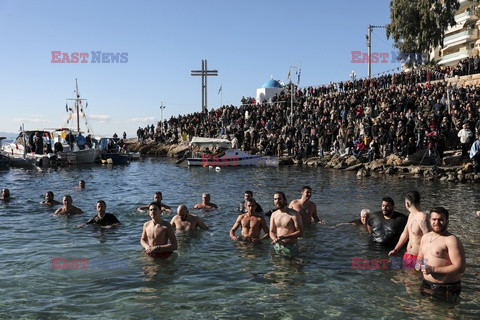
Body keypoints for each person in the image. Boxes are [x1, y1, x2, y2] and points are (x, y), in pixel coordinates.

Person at [416, 207, 466, 301]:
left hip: (447, 287)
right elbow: (420, 257)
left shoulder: (451, 240)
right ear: (430, 220)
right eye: (434, 219)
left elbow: (460, 268)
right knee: (426, 312)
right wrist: (418, 264)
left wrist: (433, 269)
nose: (437, 222)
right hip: (426, 284)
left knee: (447, 314)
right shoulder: (425, 237)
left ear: (447, 221)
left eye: (441, 220)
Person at [389, 191, 429, 269]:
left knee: (414, 280)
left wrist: (421, 259)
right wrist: (396, 249)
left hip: (418, 257)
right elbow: (405, 233)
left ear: (407, 203)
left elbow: (429, 239)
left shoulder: (422, 217)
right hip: (408, 254)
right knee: (404, 279)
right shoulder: (411, 215)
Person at [269, 192, 304, 256]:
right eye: (275, 199)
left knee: (290, 265)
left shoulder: (294, 214)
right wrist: (275, 239)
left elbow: (300, 233)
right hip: (278, 246)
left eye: (279, 199)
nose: (277, 201)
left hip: (291, 246)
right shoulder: (274, 214)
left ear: (284, 200)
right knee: (277, 265)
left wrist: (283, 237)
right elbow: (271, 231)